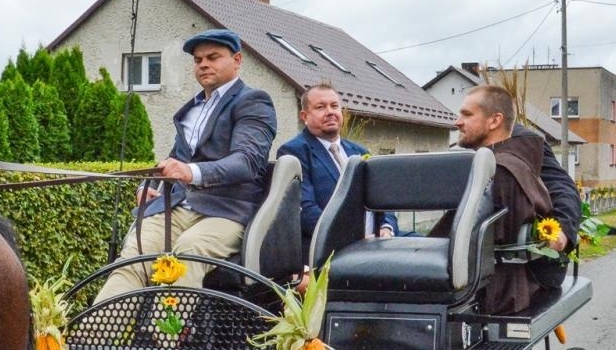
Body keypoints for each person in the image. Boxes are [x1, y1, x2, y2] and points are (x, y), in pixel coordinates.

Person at [94, 29, 277, 300]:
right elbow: (172, 160)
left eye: (213, 57)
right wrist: (149, 184)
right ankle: (96, 336)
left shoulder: (253, 101)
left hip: (225, 212)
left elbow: (246, 162)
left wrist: (190, 172)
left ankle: (163, 340)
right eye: (198, 59)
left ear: (237, 60)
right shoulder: (191, 110)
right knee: (134, 254)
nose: (203, 64)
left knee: (187, 251)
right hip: (179, 206)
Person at [432, 85, 581, 317]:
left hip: (523, 270)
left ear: (495, 120)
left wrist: (560, 231)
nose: (456, 122)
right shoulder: (468, 151)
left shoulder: (525, 144)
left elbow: (563, 189)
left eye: (467, 114)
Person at [276, 82, 397, 257]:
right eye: (320, 107)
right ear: (304, 116)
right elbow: (306, 210)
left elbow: (383, 200)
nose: (330, 112)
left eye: (334, 106)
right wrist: (352, 238)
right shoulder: (295, 152)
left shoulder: (360, 152)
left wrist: (387, 228)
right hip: (333, 249)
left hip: (380, 242)